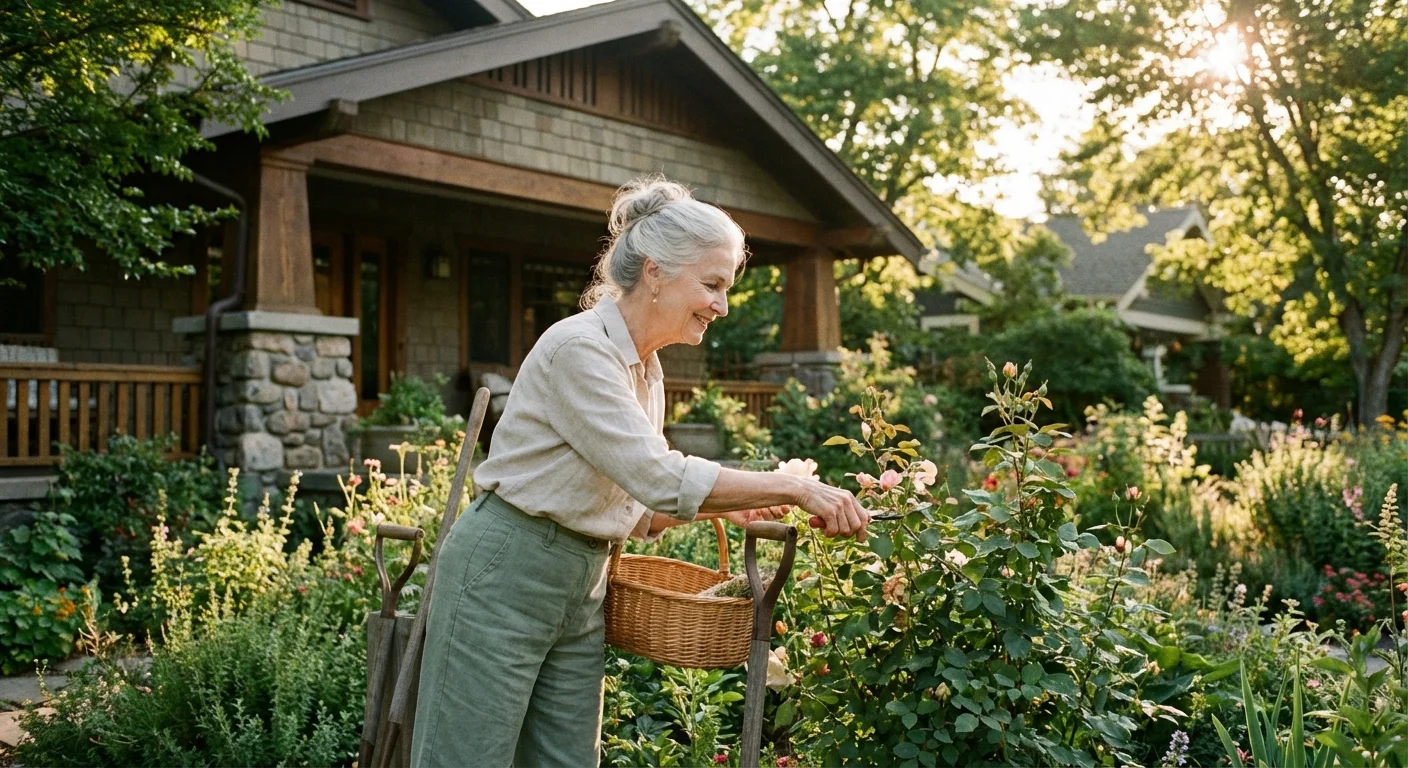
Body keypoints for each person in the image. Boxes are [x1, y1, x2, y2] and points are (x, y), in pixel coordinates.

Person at [410, 177, 870, 768]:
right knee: (465, 759)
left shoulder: (644, 370)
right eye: (712, 284)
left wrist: (738, 501)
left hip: (584, 581)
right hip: (505, 571)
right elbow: (659, 477)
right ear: (654, 271)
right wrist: (796, 486)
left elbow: (641, 504)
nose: (721, 306)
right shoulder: (579, 350)